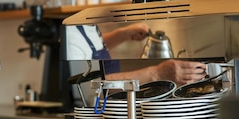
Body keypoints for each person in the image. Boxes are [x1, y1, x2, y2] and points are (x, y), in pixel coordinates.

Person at [66, 22, 206, 86]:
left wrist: (122, 34)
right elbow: (89, 85)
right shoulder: (70, 36)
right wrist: (156, 74)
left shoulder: (83, 27)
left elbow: (91, 46)